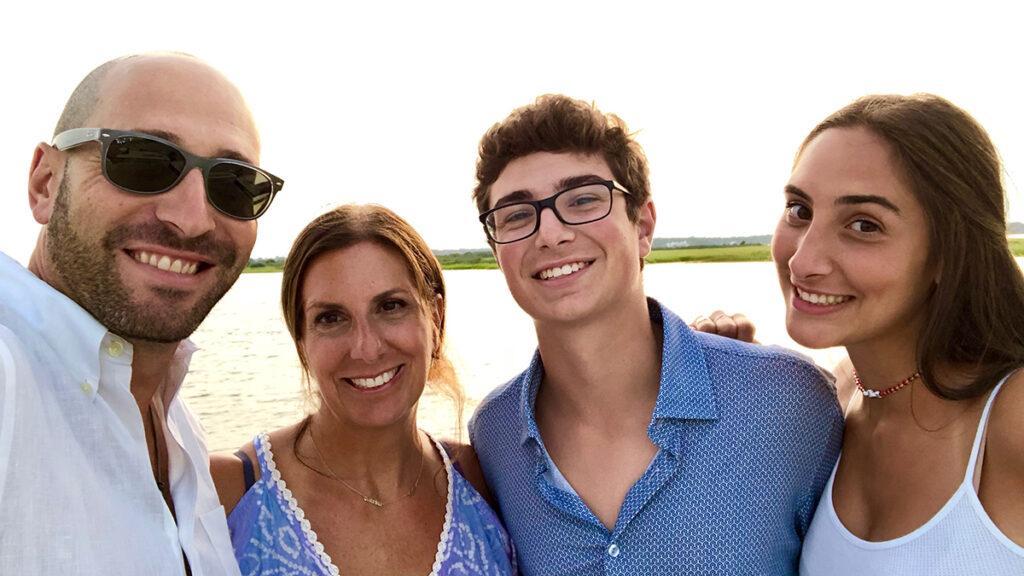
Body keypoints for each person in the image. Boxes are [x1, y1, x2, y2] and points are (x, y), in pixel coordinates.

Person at [466, 94, 844, 574]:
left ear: (643, 225)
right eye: (517, 215)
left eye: (583, 200)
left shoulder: (789, 400)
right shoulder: (493, 436)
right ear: (496, 249)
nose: (550, 233)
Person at [0, 54, 284, 575]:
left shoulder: (172, 419)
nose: (193, 220)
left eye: (235, 184)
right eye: (143, 161)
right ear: (45, 183)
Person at [769, 94, 1024, 574]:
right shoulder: (836, 396)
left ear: (950, 254)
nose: (803, 261)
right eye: (799, 211)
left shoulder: (1010, 417)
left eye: (863, 224)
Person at [210, 204, 516, 576]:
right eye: (331, 318)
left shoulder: (480, 478)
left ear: (434, 317)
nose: (367, 348)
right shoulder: (230, 493)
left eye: (391, 306)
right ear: (301, 339)